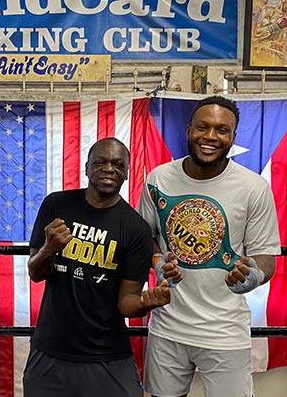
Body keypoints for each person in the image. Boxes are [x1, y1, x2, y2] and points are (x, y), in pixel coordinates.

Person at [138, 96, 281, 397]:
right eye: (202, 127)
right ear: (189, 130)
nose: (210, 137)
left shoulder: (253, 187)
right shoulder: (159, 179)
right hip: (167, 327)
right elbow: (145, 236)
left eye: (221, 130)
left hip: (225, 330)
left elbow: (265, 257)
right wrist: (156, 262)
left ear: (233, 137)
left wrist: (251, 276)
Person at [23, 137, 174, 397]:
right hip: (51, 349)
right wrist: (49, 248)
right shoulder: (57, 205)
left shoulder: (136, 229)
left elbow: (126, 303)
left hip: (107, 354)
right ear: (87, 168)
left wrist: (148, 302)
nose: (108, 169)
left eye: (118, 164)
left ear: (127, 172)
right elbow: (36, 273)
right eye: (100, 162)